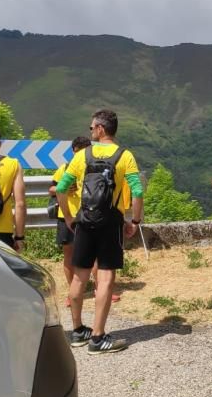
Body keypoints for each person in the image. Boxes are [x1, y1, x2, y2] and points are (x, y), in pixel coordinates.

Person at [56, 109, 144, 354]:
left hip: (84, 220)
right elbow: (137, 192)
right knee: (105, 278)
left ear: (101, 129)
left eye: (91, 127)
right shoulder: (125, 156)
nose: (90, 131)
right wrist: (134, 221)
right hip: (111, 223)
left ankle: (77, 331)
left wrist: (71, 218)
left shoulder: (82, 155)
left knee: (79, 276)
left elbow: (62, 189)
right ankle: (97, 337)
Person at [50, 136, 113, 306]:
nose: (81, 155)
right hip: (66, 216)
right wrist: (61, 188)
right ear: (73, 152)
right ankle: (72, 293)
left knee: (95, 256)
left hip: (87, 216)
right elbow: (52, 188)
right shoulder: (65, 168)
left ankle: (101, 289)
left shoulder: (94, 169)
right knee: (69, 254)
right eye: (79, 152)